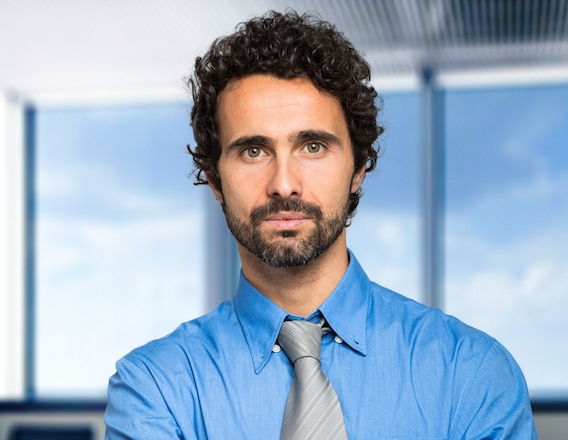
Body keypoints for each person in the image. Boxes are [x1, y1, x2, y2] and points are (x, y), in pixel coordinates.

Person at [104, 10, 537, 439]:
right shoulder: (156, 388)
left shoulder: (472, 374)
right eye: (253, 151)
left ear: (359, 168)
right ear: (215, 180)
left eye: (313, 146)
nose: (284, 184)